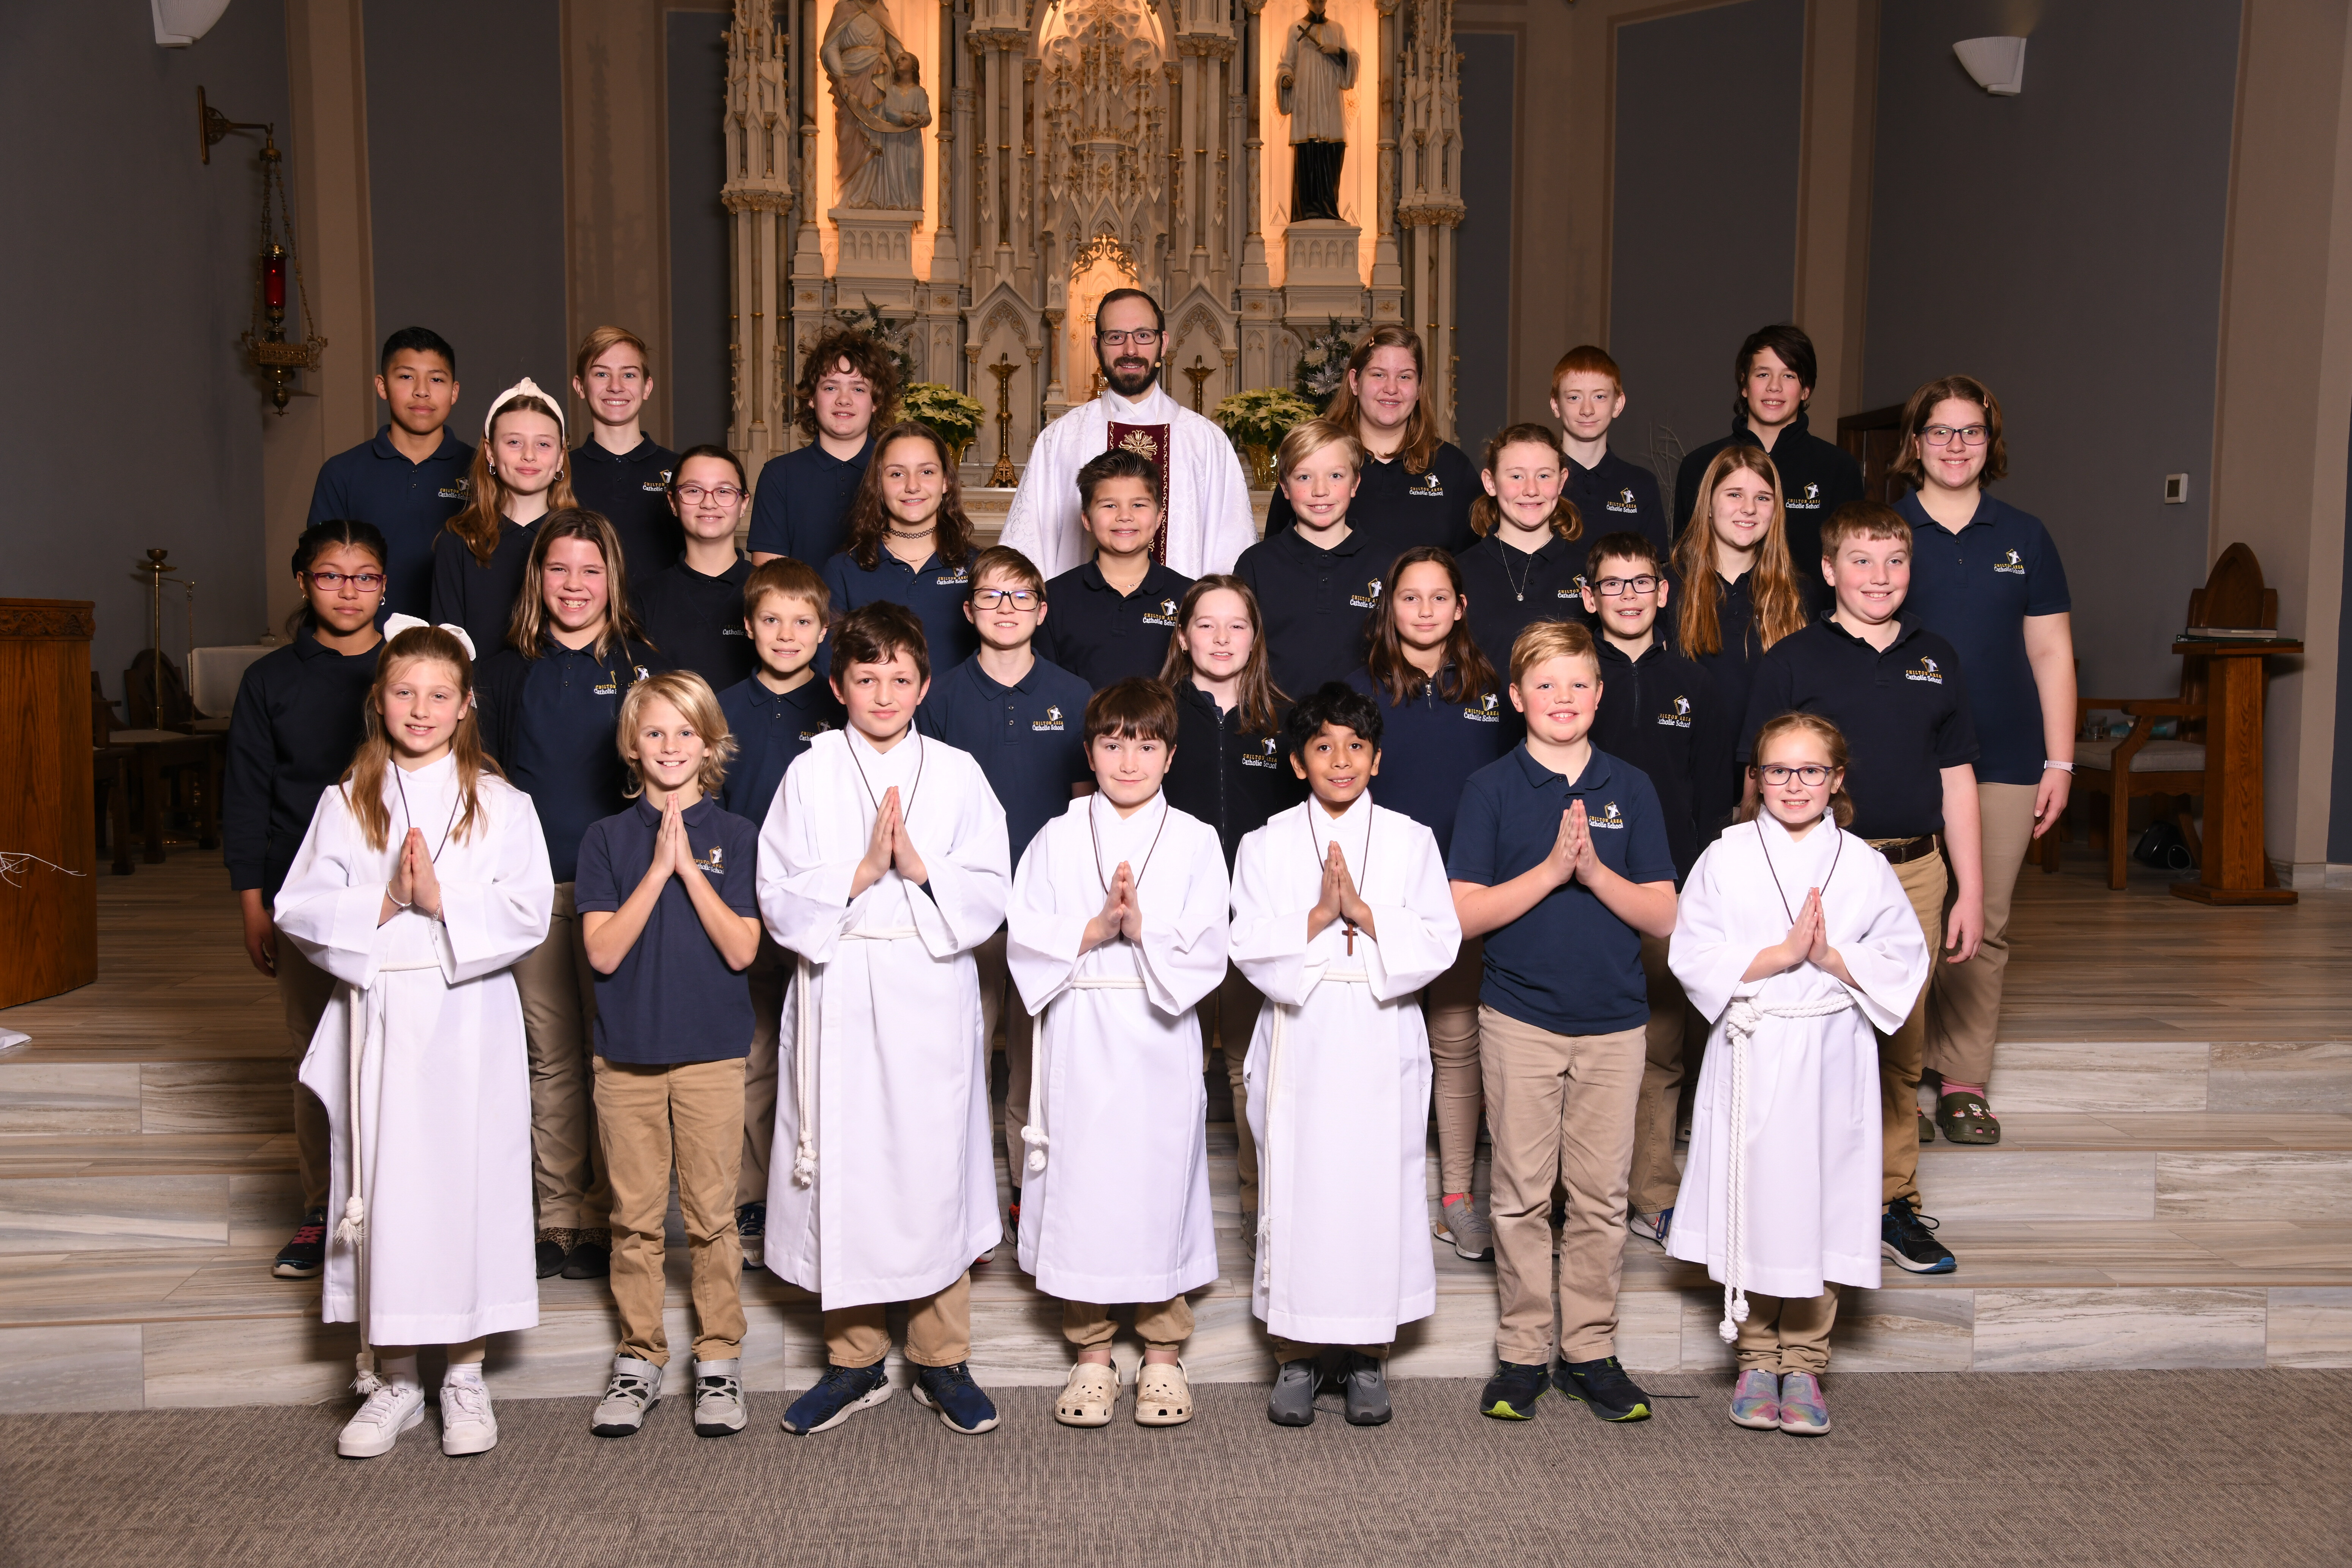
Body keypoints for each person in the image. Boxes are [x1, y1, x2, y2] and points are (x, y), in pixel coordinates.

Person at [274, 621, 553, 1459]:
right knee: (385, 1188)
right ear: (379, 700)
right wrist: (387, 904)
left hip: (468, 1018)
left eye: (440, 695)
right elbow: (299, 906)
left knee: (466, 1185)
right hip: (383, 1017)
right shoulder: (346, 800)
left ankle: (463, 1373)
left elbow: (529, 909)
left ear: (467, 706)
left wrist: (441, 902)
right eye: (404, 693)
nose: (421, 709)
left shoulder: (504, 805)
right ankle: (391, 1374)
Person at [760, 604, 1012, 1438]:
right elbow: (778, 889)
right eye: (865, 678)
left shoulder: (959, 770)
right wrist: (864, 870)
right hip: (842, 977)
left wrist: (922, 868)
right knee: (850, 1168)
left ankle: (943, 1359)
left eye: (900, 678)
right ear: (837, 685)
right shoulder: (812, 771)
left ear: (924, 684)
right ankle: (855, 1358)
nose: (882, 693)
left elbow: (989, 886)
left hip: (929, 982)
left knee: (933, 1166)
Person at [1737, 499, 1984, 1278]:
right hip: (1820, 871)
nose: (1880, 577)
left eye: (1895, 561)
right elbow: (1757, 782)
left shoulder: (1936, 655)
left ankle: (1892, 1203)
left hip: (1913, 871)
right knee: (1799, 1036)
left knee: (1899, 1046)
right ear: (1832, 571)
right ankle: (1798, 1197)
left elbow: (1959, 778)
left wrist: (1969, 889)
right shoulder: (1794, 660)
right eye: (1864, 561)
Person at [1668, 713, 1931, 1437]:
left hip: (1830, 1048)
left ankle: (1807, 1360)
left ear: (1837, 779)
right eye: (1777, 770)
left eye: (1810, 770)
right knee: (1753, 1200)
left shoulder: (1864, 864)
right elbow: (1691, 952)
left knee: (1822, 1201)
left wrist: (1831, 959)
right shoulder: (1724, 857)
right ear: (1755, 780)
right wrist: (1781, 955)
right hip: (1753, 1045)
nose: (1793, 784)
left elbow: (1905, 958)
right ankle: (1756, 1355)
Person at [1448, 619, 1677, 1424]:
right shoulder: (1493, 789)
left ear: (1600, 695)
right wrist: (1551, 872)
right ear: (1516, 698)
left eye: (1579, 684)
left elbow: (1663, 914)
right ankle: (1521, 1353)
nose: (1563, 699)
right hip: (1521, 1020)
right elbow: (1465, 915)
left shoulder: (1631, 786)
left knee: (1601, 1198)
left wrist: (1594, 872)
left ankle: (1590, 1350)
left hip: (1615, 1025)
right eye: (1545, 685)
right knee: (1516, 1196)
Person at [1231, 682, 1461, 1427]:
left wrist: (1363, 914)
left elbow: (1439, 939)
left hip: (1379, 1026)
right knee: (1297, 1189)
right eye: (1323, 746)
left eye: (1355, 747)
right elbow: (1244, 941)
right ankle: (1296, 1354)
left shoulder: (1409, 839)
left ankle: (1368, 1358)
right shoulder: (1263, 843)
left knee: (1376, 1192)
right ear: (1297, 763)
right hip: (1303, 1030)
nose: (1340, 760)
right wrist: (1316, 917)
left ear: (1377, 759)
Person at [1005, 678, 1228, 1428]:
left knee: (1159, 1186)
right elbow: (1023, 933)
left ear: (1170, 754)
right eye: (1112, 742)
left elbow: (1211, 948)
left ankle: (1164, 1354)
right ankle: (1092, 1354)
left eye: (1145, 743)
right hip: (1079, 1032)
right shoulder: (1056, 837)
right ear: (1090, 750)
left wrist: (1145, 933)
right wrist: (1094, 931)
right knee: (1083, 1191)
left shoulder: (1196, 840)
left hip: (1160, 1036)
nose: (1128, 760)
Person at [477, 513, 673, 1283]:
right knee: (550, 1058)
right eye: (559, 570)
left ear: (612, 579)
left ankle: (611, 1215)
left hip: (627, 894)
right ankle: (559, 1213)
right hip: (534, 891)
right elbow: (481, 784)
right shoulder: (502, 672)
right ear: (538, 579)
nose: (574, 585)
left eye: (590, 571)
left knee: (615, 1057)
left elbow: (672, 774)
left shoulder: (644, 667)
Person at [577, 672, 762, 1441]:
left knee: (715, 1218)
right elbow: (604, 954)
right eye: (654, 732)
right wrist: (658, 869)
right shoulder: (606, 840)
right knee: (634, 1220)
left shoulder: (740, 836)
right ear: (631, 744)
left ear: (711, 743)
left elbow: (744, 948)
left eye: (686, 732)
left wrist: (692, 868)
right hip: (626, 1060)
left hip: (712, 1057)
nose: (670, 747)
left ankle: (718, 1360)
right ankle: (640, 1358)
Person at [1891, 376, 2075, 1147]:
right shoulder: (1888, 530)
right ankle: (1899, 1084)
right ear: (1918, 442)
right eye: (1942, 431)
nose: (1957, 445)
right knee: (1904, 924)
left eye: (1972, 432)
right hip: (1906, 756)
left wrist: (2060, 764)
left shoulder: (2025, 536)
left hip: (2005, 757)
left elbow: (2051, 650)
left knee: (1983, 920)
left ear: (1990, 442)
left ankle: (1963, 1082)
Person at [224, 522, 388, 1282]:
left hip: (399, 897)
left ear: (385, 585)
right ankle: (322, 1208)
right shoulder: (270, 681)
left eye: (364, 578)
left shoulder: (410, 669)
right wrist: (254, 903)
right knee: (316, 1056)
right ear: (303, 584)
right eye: (331, 576)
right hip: (303, 898)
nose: (348, 592)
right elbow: (248, 796)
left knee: (397, 1054)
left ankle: (397, 1206)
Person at [917, 545, 1093, 1245]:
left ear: (1042, 610)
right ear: (968, 610)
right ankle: (951, 1201)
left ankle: (1027, 1195)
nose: (1006, 609)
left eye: (1020, 596)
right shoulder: (939, 696)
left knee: (1033, 1065)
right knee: (953, 1058)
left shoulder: (1075, 694)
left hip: (1042, 912)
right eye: (991, 596)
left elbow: (1087, 805)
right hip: (959, 911)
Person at [1345, 544, 1509, 1264]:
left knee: (1455, 1041)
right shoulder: (1358, 691)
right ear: (1389, 607)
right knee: (1375, 1039)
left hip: (1463, 894)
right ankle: (1372, 1189)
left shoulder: (1491, 692)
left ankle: (1454, 1196)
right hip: (1379, 895)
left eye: (1438, 598)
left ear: (1461, 607)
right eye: (1408, 598)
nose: (1423, 611)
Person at [1579, 530, 1736, 1247]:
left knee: (1662, 1047)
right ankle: (1576, 1195)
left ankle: (1651, 1191)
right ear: (1589, 596)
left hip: (1666, 891)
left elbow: (1712, 802)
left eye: (1642, 582)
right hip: (1577, 890)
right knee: (1580, 1047)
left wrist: (1698, 889)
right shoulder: (1575, 678)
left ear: (1663, 592)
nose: (1630, 596)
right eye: (1613, 584)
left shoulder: (1699, 685)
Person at [1158, 576, 1305, 1245]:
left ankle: (1260, 1206)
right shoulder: (1156, 715)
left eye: (1236, 626)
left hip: (1257, 921)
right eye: (1207, 625)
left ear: (1256, 636)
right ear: (1183, 635)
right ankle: (1163, 1208)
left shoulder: (1283, 716)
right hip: (1171, 920)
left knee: (1253, 1070)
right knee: (1167, 1064)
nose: (1221, 639)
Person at [716, 557, 844, 1264]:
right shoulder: (722, 707)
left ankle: (821, 1179)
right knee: (755, 1052)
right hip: (739, 906)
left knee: (824, 1048)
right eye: (771, 620)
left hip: (819, 905)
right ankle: (751, 1191)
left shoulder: (838, 710)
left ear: (823, 630)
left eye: (802, 622)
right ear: (748, 625)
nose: (786, 634)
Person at [1001, 288, 1258, 578]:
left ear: (1163, 344)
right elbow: (1027, 552)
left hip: (1183, 619)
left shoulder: (1206, 442)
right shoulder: (1062, 438)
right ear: (1097, 346)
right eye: (1116, 337)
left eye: (1144, 335)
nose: (1131, 350)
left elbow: (1232, 553)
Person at [1672, 324, 1863, 616]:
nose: (1775, 386)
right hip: (1712, 628)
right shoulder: (1701, 465)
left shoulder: (1838, 468)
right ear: (1745, 385)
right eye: (1763, 374)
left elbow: (1853, 565)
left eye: (1789, 376)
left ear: (1806, 389)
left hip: (1809, 632)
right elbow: (1684, 560)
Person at [1668, 446, 1809, 795]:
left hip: (1774, 793)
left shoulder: (1800, 594)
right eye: (1735, 494)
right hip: (1684, 788)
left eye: (1763, 498)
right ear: (1709, 505)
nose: (1749, 509)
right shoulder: (1666, 588)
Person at [306, 327, 471, 619]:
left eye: (436, 379)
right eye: (406, 377)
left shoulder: (483, 469)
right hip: (366, 646)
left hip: (457, 644)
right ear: (382, 386)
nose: (422, 390)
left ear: (454, 391)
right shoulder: (342, 472)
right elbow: (322, 569)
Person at [1266, 327, 1477, 554]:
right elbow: (1277, 557)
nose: (1391, 389)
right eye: (1379, 374)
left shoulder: (1453, 467)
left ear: (1419, 389)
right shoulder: (1312, 459)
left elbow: (1474, 564)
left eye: (1405, 377)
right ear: (1355, 382)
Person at [1234, 417, 1393, 701]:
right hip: (1276, 728)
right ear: (1284, 487)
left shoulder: (1389, 564)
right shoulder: (1256, 564)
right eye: (1304, 477)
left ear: (1355, 483)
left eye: (1336, 476)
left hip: (1365, 731)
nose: (1321, 491)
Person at [432, 378, 579, 658]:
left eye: (544, 445)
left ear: (561, 457)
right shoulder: (459, 542)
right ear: (490, 452)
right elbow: (445, 652)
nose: (529, 456)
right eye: (514, 442)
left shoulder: (583, 540)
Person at [821, 420, 982, 675]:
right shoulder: (843, 571)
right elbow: (831, 667)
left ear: (946, 482)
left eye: (927, 472)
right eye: (897, 474)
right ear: (878, 484)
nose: (912, 486)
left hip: (961, 715)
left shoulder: (979, 567)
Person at [1033, 448, 1195, 690]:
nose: (1125, 516)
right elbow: (1043, 689)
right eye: (1109, 506)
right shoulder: (1054, 597)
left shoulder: (1190, 595)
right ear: (1087, 519)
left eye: (1139, 505)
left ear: (1160, 517)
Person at [749, 328, 898, 568]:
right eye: (831, 388)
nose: (844, 400)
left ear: (876, 402)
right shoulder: (780, 475)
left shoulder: (896, 470)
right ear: (811, 398)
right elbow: (769, 577)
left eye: (858, 389)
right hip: (801, 606)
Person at [1455, 424, 1592, 683]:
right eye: (1516, 476)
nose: (1531, 490)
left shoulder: (1589, 570)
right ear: (1490, 482)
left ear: (1562, 481)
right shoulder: (1458, 573)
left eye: (1544, 476)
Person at [567, 325, 683, 586]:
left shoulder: (681, 470)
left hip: (661, 622)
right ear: (580, 386)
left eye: (629, 375)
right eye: (601, 374)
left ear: (647, 387)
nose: (616, 387)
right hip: (584, 620)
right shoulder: (560, 471)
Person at [637, 445, 758, 690]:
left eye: (724, 491)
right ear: (673, 502)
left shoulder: (769, 592)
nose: (709, 503)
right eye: (693, 491)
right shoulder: (644, 599)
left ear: (743, 504)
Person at [1551, 345, 1671, 560]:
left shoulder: (1642, 484)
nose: (1587, 410)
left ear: (1618, 404)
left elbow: (1654, 572)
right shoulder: (1537, 481)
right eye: (1574, 398)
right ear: (1556, 405)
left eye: (1599, 397)